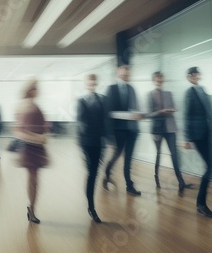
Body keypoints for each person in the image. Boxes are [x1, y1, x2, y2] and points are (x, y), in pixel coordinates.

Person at [184, 66, 212, 218]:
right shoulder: (189, 93)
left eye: (196, 73)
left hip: (207, 133)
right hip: (197, 135)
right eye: (192, 74)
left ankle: (201, 204)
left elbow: (210, 113)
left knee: (211, 166)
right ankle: (201, 204)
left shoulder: (203, 91)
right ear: (189, 77)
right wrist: (187, 138)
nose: (195, 76)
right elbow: (187, 115)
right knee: (210, 166)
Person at [147, 71, 191, 193]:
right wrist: (160, 112)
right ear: (154, 81)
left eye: (161, 79)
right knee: (158, 154)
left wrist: (171, 110)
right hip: (157, 130)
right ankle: (156, 177)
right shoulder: (150, 95)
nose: (159, 81)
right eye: (157, 79)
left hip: (170, 128)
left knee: (174, 155)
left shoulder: (168, 94)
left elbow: (174, 107)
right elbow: (149, 114)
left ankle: (181, 182)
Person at [103, 65, 144, 196]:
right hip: (118, 130)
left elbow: (135, 108)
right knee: (117, 154)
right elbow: (108, 112)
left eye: (127, 73)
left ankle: (129, 185)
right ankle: (107, 171)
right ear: (118, 74)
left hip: (132, 130)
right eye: (123, 73)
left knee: (129, 159)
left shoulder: (131, 89)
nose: (125, 75)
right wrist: (109, 136)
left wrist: (138, 114)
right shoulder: (111, 89)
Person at [14, 78, 49, 224]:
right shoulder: (25, 106)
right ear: (31, 90)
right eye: (36, 87)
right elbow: (19, 131)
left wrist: (44, 133)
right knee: (33, 179)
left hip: (36, 147)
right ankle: (32, 209)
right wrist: (39, 138)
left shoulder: (30, 105)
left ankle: (32, 208)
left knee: (34, 179)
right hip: (31, 148)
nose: (38, 90)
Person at [77, 74, 107, 223]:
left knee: (94, 173)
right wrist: (83, 140)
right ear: (86, 83)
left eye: (94, 81)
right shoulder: (81, 101)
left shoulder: (102, 99)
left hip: (99, 143)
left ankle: (91, 205)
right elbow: (80, 122)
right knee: (91, 172)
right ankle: (91, 206)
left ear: (96, 83)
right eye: (89, 81)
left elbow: (105, 121)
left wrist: (107, 138)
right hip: (87, 143)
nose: (92, 83)